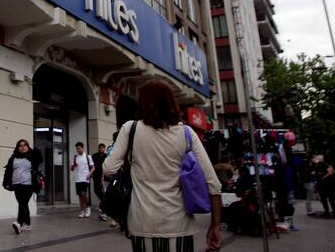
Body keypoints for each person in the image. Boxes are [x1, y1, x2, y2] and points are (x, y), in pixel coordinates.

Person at [102, 80, 222, 252]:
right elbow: (213, 184)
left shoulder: (130, 129)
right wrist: (215, 226)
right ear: (171, 102)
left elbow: (108, 169)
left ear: (143, 102)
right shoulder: (186, 133)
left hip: (142, 223)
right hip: (179, 225)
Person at [2, 138, 43, 234]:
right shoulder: (13, 158)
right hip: (16, 184)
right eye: (20, 146)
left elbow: (40, 159)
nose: (23, 147)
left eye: (25, 145)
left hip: (28, 184)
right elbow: (8, 171)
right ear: (17, 148)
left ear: (28, 147)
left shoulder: (32, 157)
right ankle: (27, 224)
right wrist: (6, 183)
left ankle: (19, 223)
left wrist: (36, 149)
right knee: (23, 204)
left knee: (23, 203)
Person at [71, 141, 94, 218]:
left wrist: (89, 174)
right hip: (77, 179)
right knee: (80, 196)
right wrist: (73, 166)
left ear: (83, 148)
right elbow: (71, 169)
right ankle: (82, 211)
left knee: (83, 194)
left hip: (85, 178)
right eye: (77, 149)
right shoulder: (75, 157)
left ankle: (88, 207)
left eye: (79, 148)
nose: (78, 150)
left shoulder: (88, 157)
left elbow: (93, 167)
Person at [91, 143, 107, 221]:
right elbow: (91, 165)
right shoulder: (94, 156)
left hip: (102, 177)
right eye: (100, 148)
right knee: (96, 191)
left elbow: (105, 167)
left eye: (102, 148)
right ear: (98, 148)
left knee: (102, 192)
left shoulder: (106, 156)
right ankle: (104, 204)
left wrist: (102, 177)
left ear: (104, 149)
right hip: (95, 177)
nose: (101, 149)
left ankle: (103, 207)